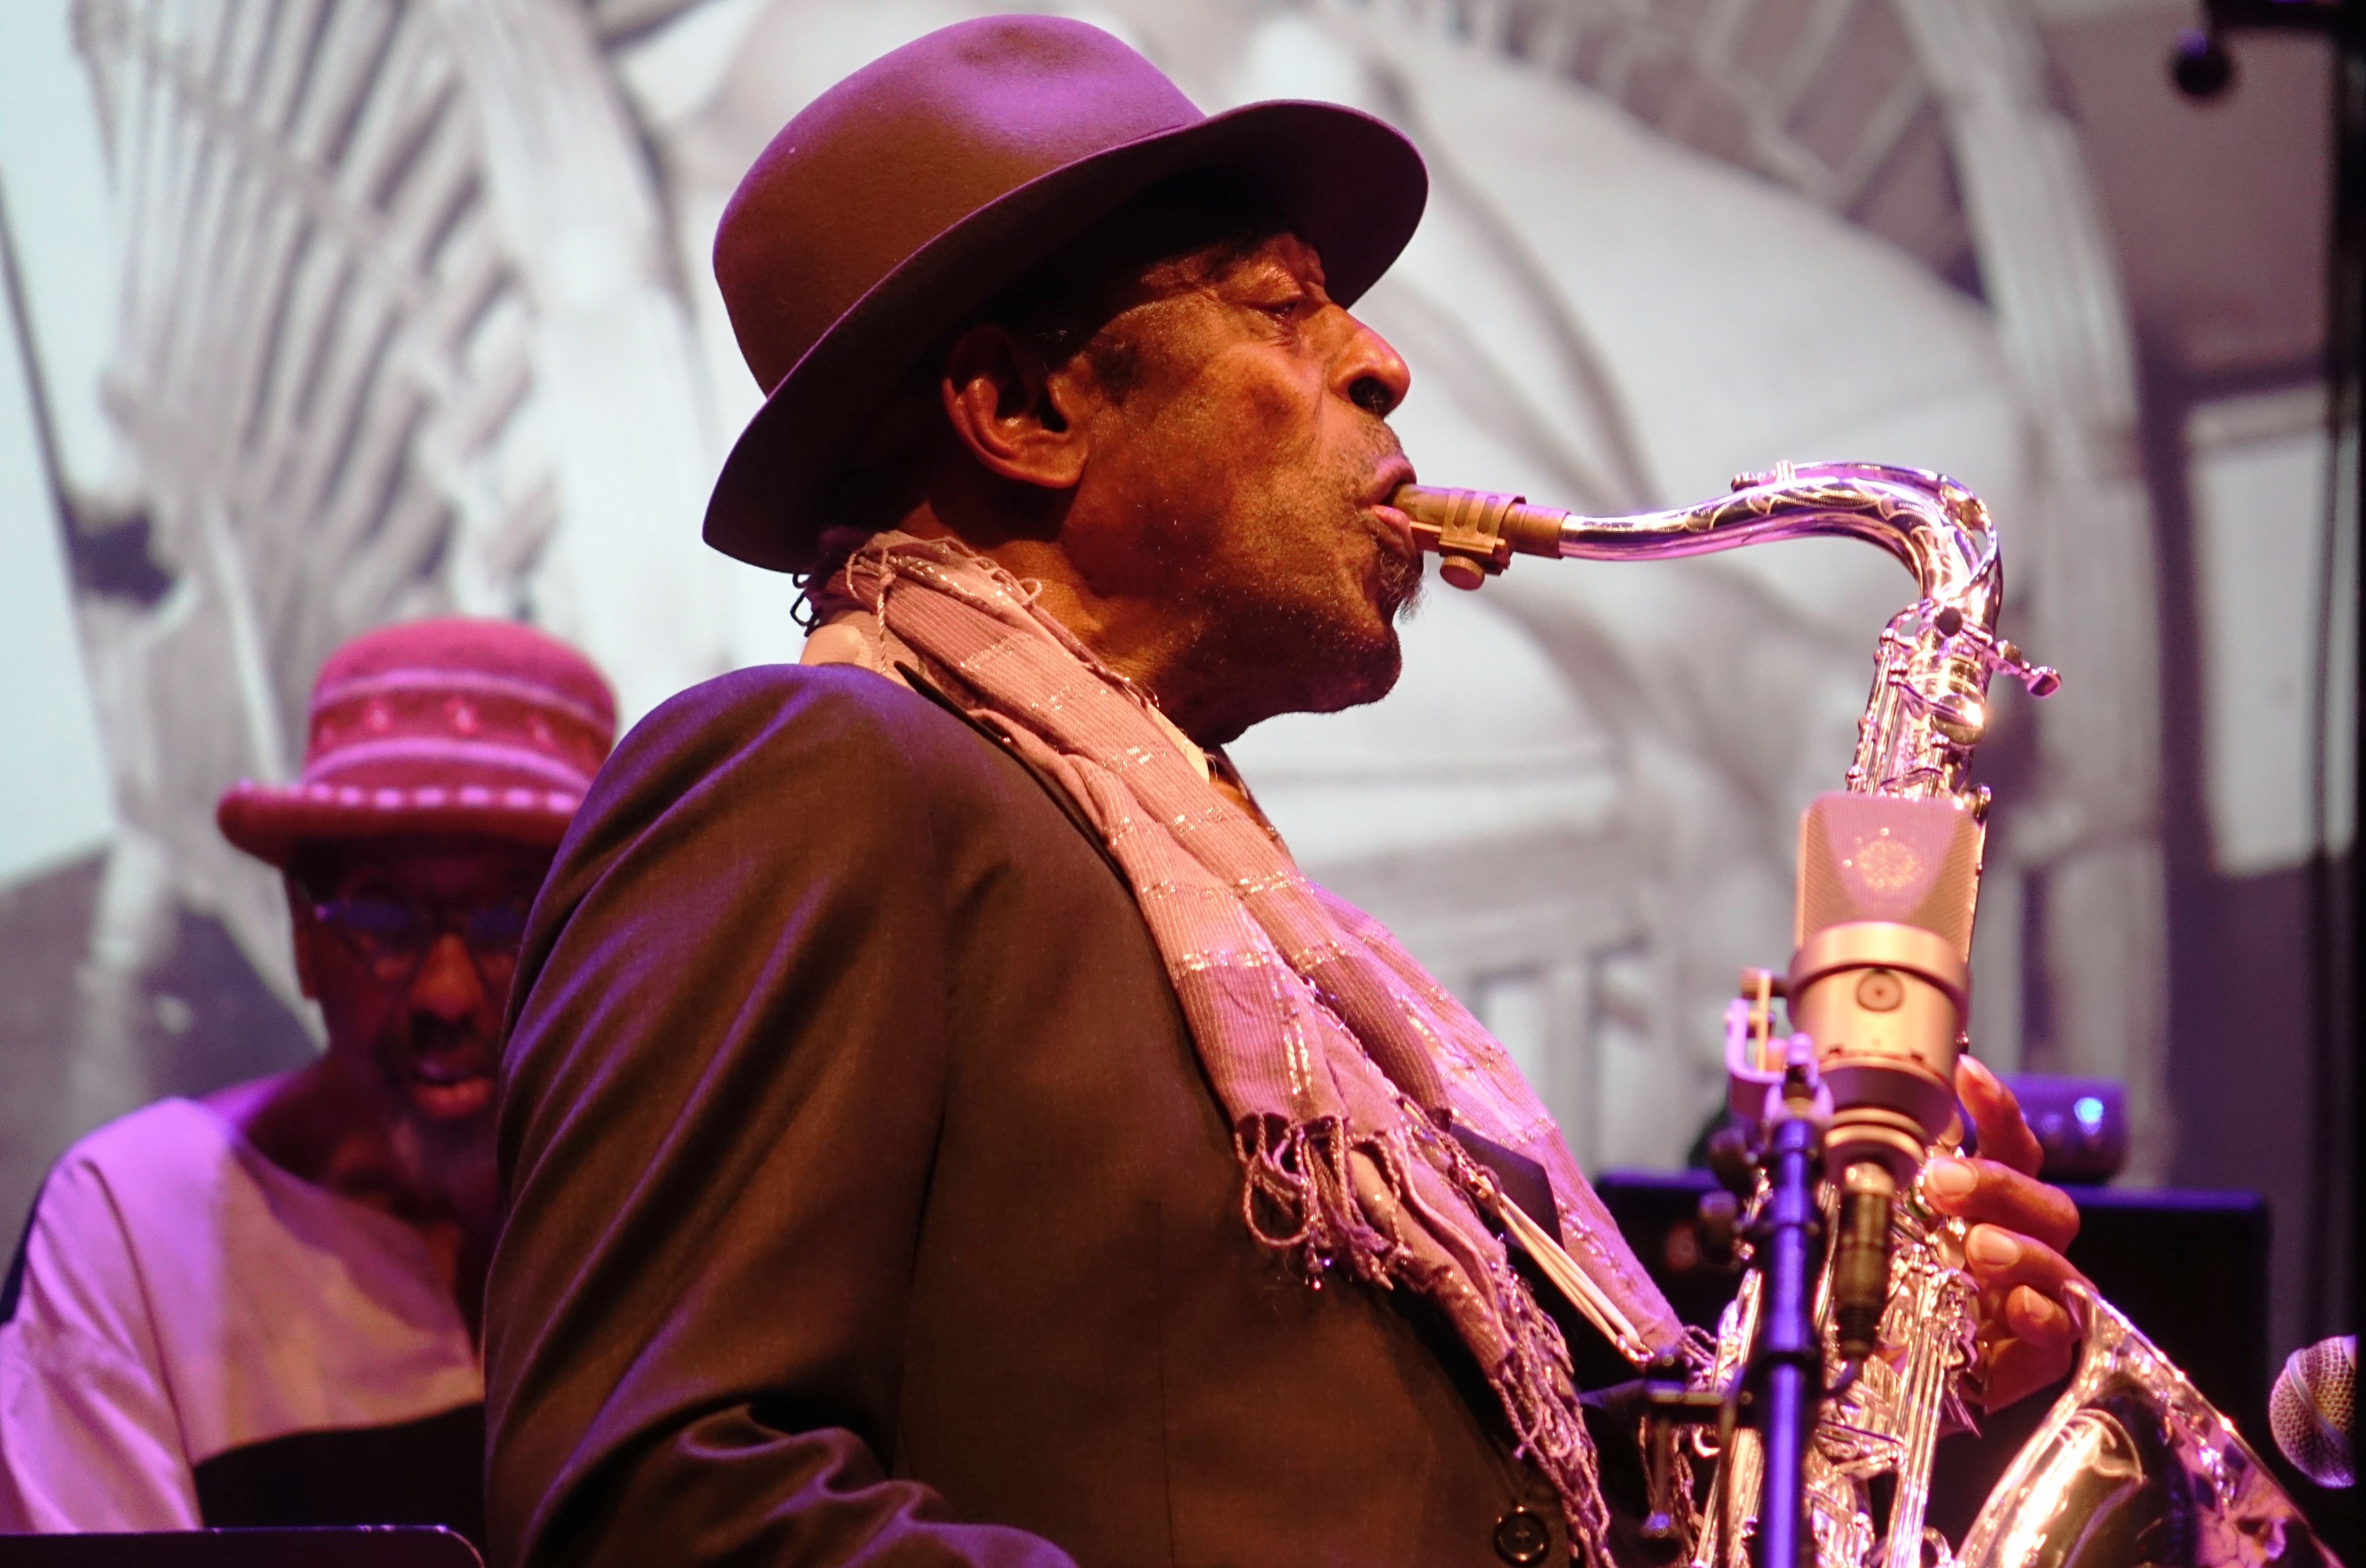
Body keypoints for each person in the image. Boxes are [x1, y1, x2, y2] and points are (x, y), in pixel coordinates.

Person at [484, 18, 2086, 1568]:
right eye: (1284, 312)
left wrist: (1860, 1355)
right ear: (1024, 412)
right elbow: (660, 1495)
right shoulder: (817, 773)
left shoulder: (1223, 911)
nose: (1381, 362)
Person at [0, 617, 615, 1545]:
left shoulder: (683, 1209)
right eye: (379, 913)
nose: (445, 992)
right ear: (302, 930)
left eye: (507, 916)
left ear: (610, 932)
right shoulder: (131, 1224)